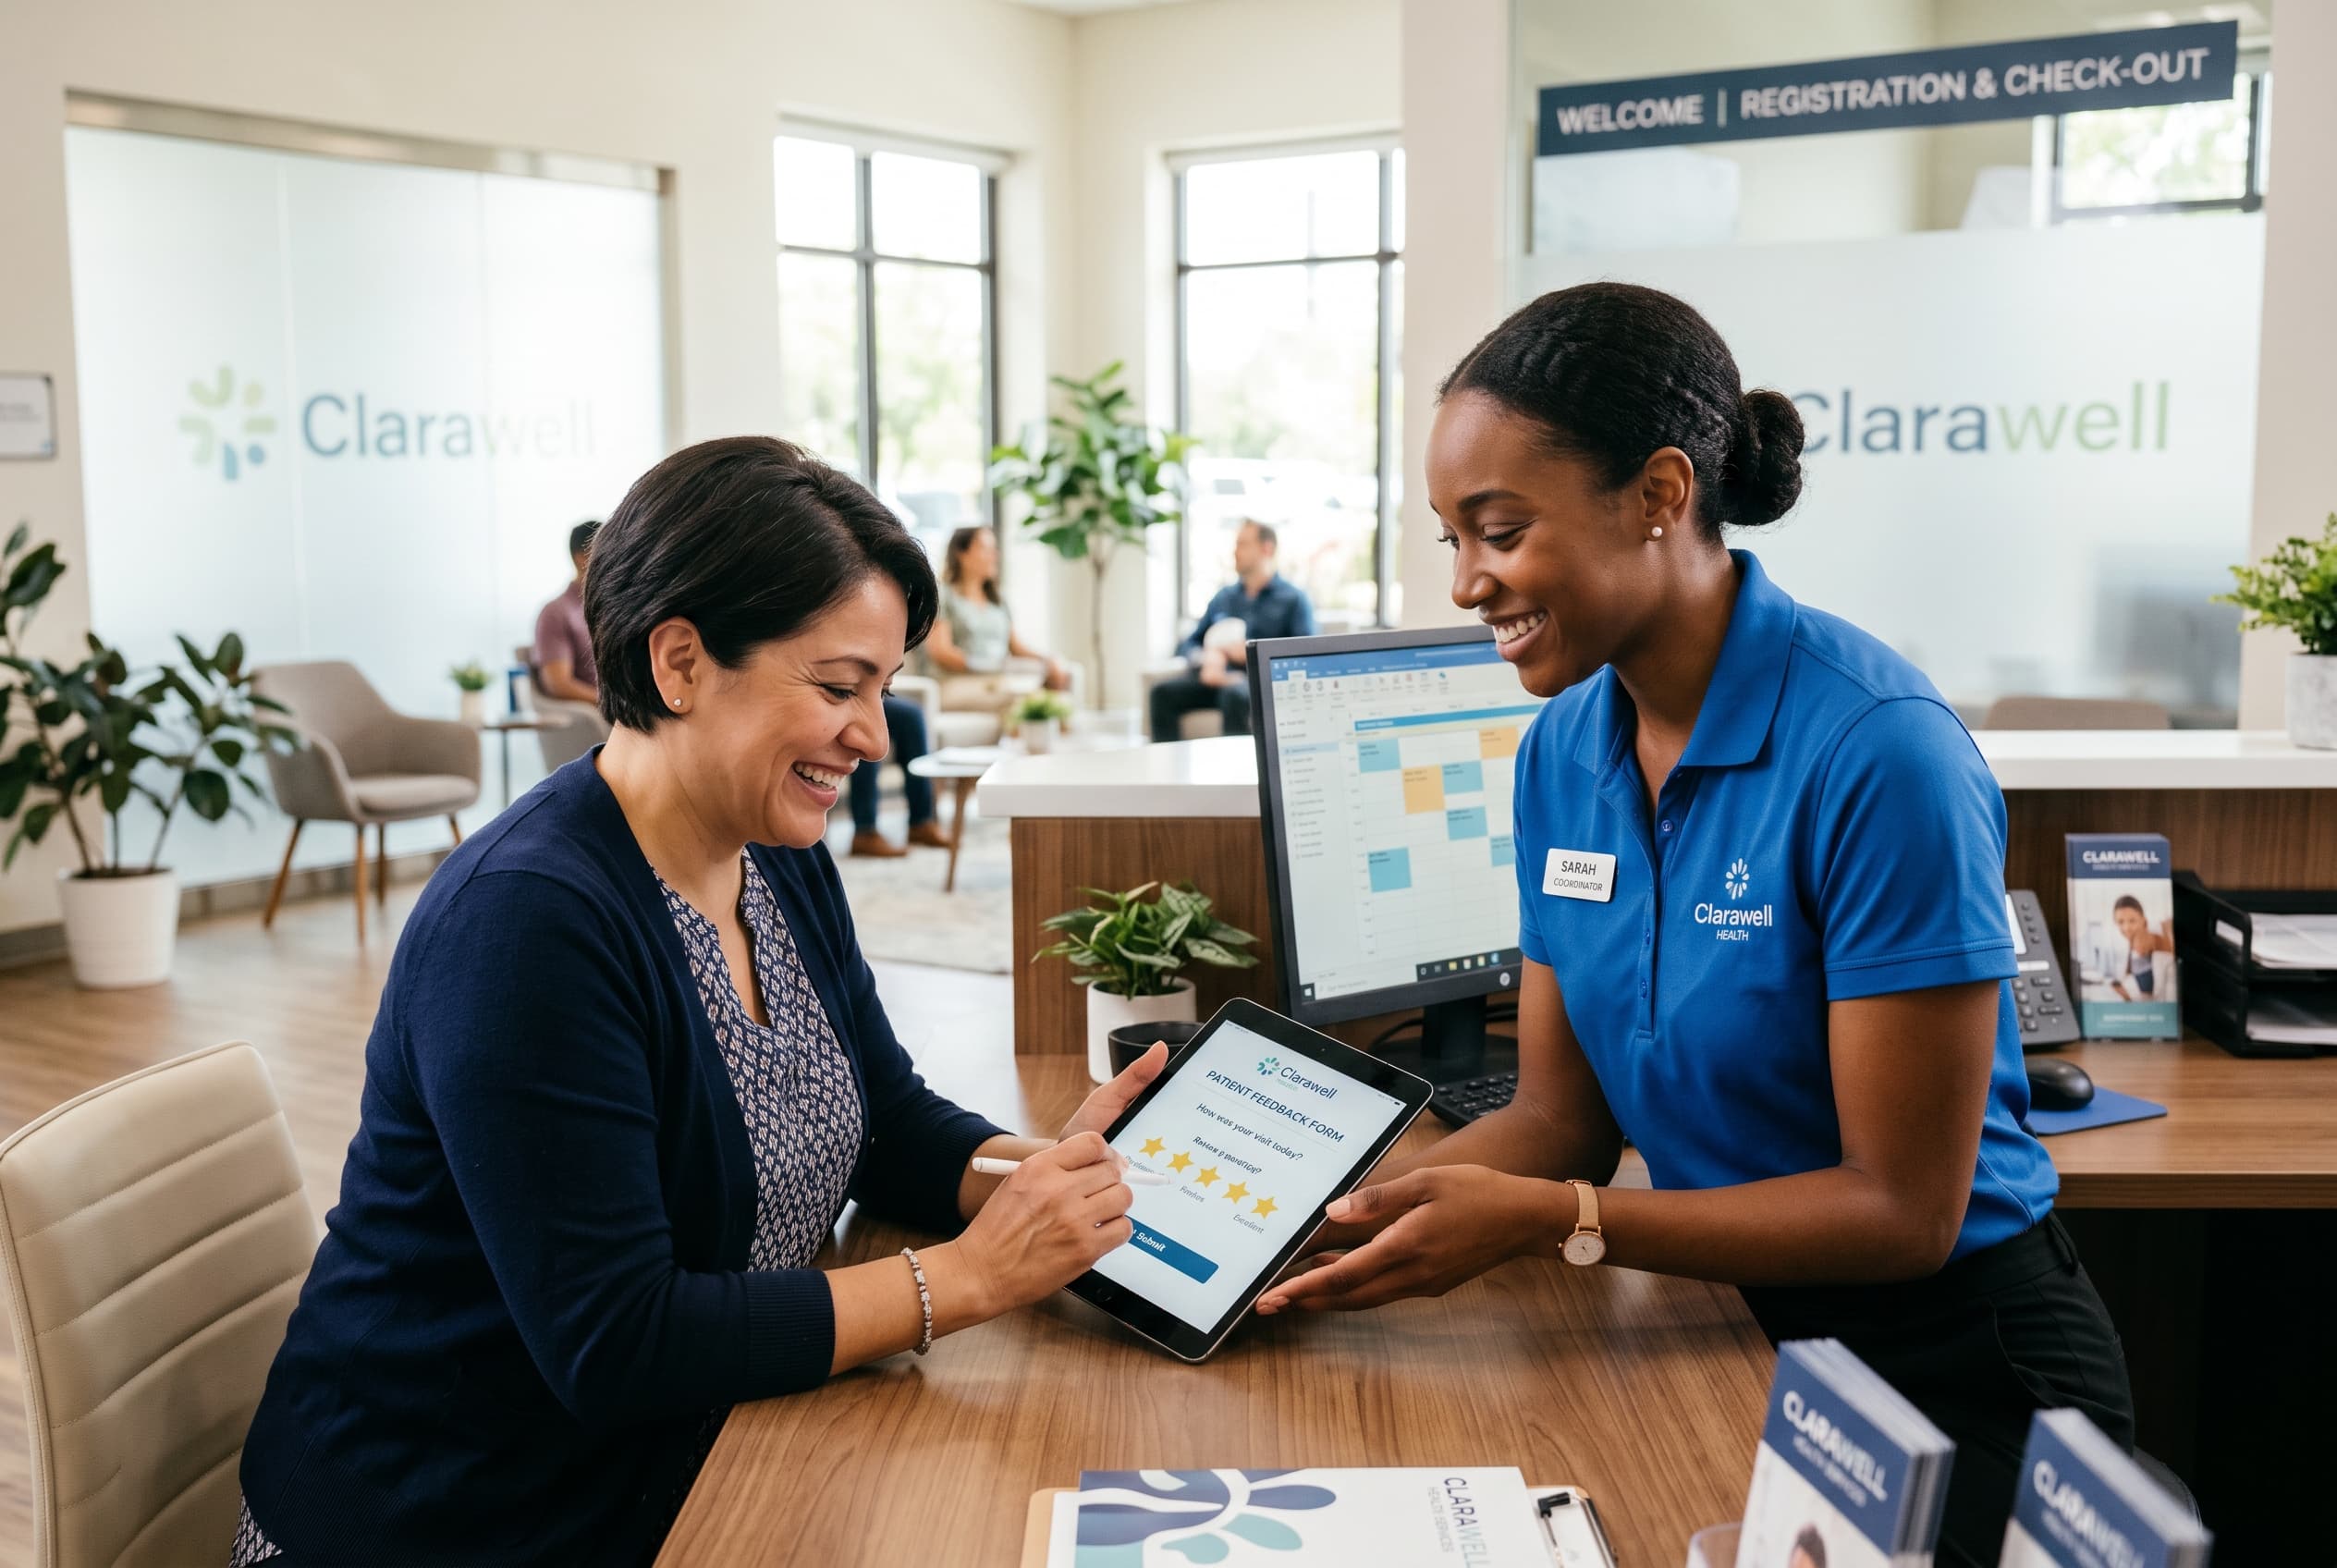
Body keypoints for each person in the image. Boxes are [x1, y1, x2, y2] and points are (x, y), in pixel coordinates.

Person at [1253, 284, 2132, 1568]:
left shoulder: (1879, 752)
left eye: (1498, 531)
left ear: (1662, 493)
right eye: (1450, 538)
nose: (1465, 583)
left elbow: (1901, 1210)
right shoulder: (1561, 748)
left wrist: (1559, 1221)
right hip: (1726, 1323)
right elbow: (1561, 1120)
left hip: (1948, 1364)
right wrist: (1308, 1231)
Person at [230, 436, 1165, 1566]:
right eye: (837, 686)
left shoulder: (768, 845)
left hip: (680, 1451)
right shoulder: (526, 924)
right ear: (678, 661)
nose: (870, 737)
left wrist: (1039, 1179)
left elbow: (882, 1114)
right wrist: (967, 1276)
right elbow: (617, 1342)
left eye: (883, 690)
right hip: (465, 1508)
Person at [1148, 519, 1315, 742]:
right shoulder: (1224, 598)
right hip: (1214, 679)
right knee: (1162, 694)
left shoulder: (1294, 600)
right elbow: (1188, 644)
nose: (1235, 552)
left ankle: (1235, 772)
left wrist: (1250, 654)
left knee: (1234, 695)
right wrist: (1206, 656)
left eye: (1243, 545)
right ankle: (1167, 768)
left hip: (1255, 685)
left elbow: (1306, 654)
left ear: (1267, 548)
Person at [923, 524, 1070, 710]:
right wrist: (991, 666)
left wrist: (1048, 660)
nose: (994, 556)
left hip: (997, 680)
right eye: (986, 549)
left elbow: (1017, 647)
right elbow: (941, 652)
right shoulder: (944, 597)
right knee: (1030, 699)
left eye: (994, 549)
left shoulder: (998, 602)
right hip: (957, 683)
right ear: (962, 554)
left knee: (1047, 691)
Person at [846, 692, 950, 858]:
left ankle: (920, 822)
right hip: (849, 694)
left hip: (867, 692)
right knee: (868, 718)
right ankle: (864, 830)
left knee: (911, 715)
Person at [533, 518, 603, 704]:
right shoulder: (556, 613)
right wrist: (613, 706)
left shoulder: (615, 607)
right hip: (602, 713)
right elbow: (558, 683)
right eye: (607, 551)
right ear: (582, 557)